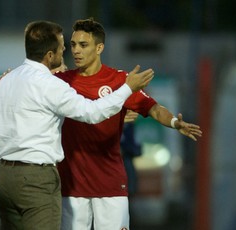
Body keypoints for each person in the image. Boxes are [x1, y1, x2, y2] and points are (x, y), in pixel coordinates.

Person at [0, 20, 154, 230]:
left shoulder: (4, 82)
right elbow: (91, 112)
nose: (67, 51)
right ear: (50, 55)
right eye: (62, 47)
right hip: (37, 178)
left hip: (5, 178)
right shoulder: (50, 85)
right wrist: (126, 88)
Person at [56, 17, 202, 230]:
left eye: (83, 45)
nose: (76, 50)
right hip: (72, 184)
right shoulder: (62, 81)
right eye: (73, 45)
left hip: (110, 183)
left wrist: (173, 122)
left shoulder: (119, 80)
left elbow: (153, 108)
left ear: (99, 47)